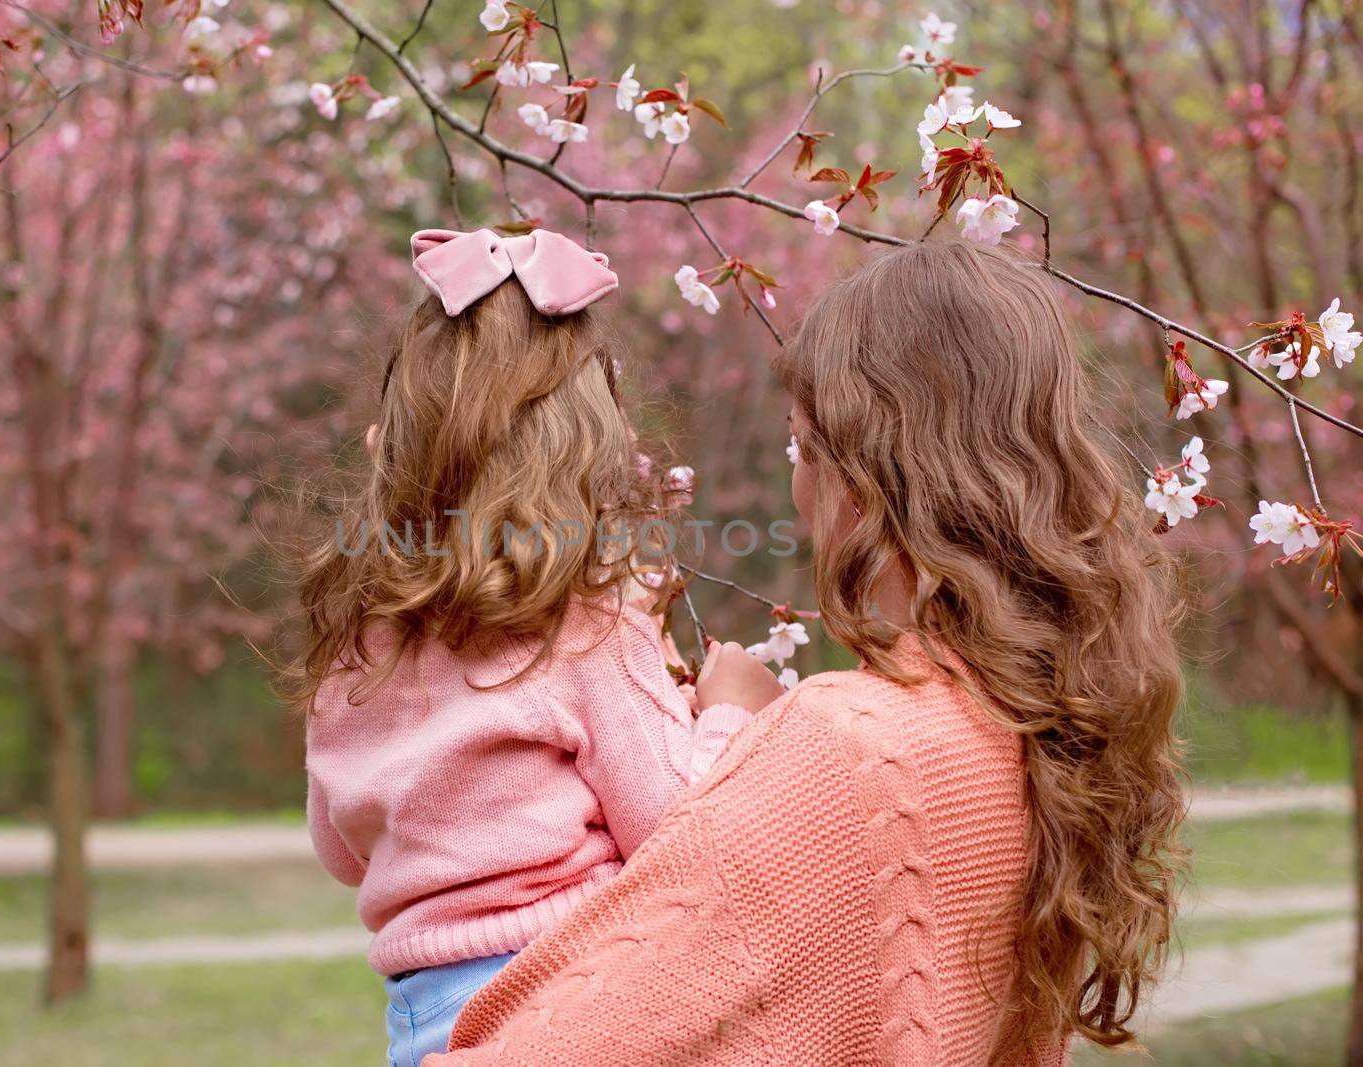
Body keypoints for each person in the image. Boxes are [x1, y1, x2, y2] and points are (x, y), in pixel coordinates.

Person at [427, 239, 1186, 1065]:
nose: (798, 489)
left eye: (801, 446)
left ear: (862, 469)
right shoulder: (1042, 732)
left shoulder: (850, 746)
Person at [288, 227, 756, 1067]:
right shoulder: (589, 626)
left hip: (423, 1018)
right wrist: (726, 717)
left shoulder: (360, 642)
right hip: (578, 1006)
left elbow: (341, 849)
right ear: (587, 449)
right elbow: (680, 834)